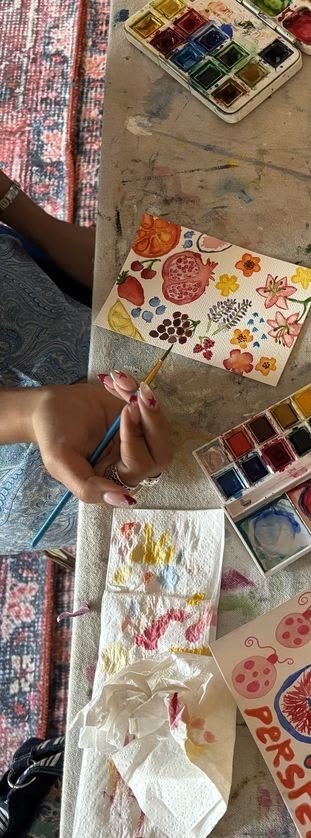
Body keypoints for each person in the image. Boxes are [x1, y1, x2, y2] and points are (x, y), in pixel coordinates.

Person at [0, 170, 171, 554]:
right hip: (41, 484)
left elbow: (125, 274)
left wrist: (19, 209)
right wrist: (30, 413)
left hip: (109, 347)